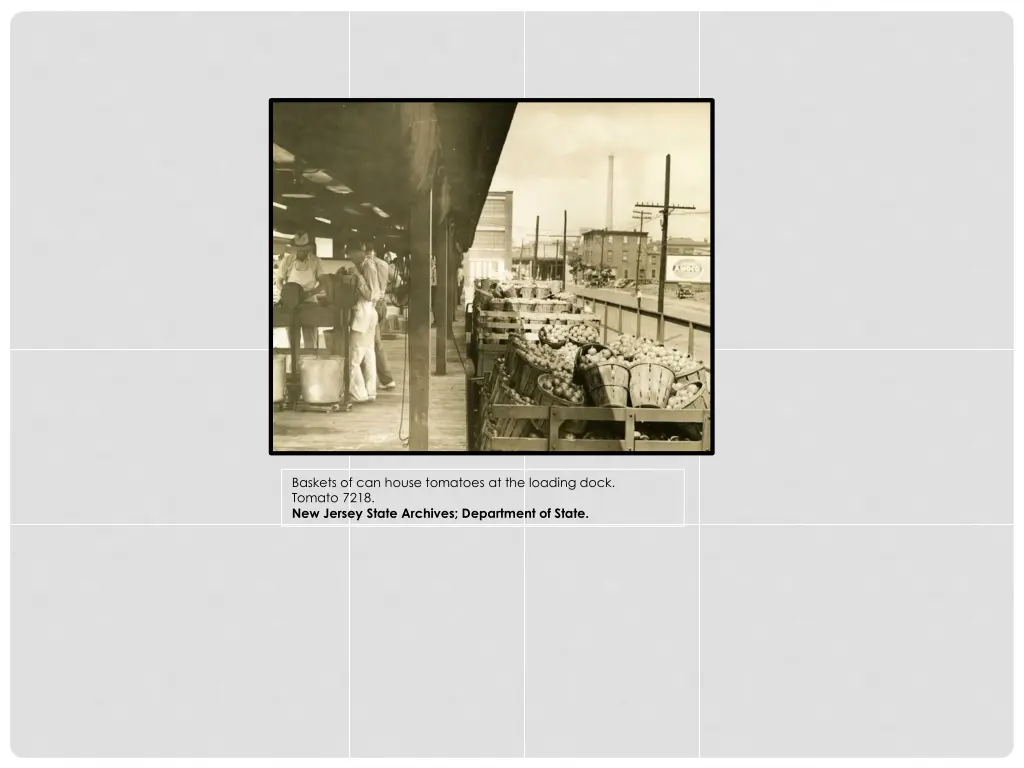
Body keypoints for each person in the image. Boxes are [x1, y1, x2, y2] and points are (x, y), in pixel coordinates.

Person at [344, 240, 381, 403]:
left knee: (354, 358)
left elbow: (371, 294)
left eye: (350, 254)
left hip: (364, 312)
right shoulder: (365, 265)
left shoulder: (367, 266)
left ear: (359, 252)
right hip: (368, 312)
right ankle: (370, 391)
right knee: (368, 354)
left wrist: (357, 277)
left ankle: (358, 394)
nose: (349, 257)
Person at [275, 232, 324, 349]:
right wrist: (287, 294)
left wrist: (310, 293)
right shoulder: (288, 260)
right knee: (293, 341)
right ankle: (294, 365)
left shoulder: (316, 261)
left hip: (310, 302)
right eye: (299, 249)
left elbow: (323, 283)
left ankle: (310, 364)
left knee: (310, 341)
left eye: (305, 249)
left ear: (309, 248)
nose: (302, 252)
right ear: (295, 248)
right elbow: (279, 281)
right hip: (291, 304)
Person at [370, 242, 397, 391]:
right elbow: (397, 280)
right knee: (375, 344)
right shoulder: (385, 265)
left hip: (373, 306)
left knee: (374, 344)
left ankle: (386, 380)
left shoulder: (368, 265)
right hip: (382, 305)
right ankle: (379, 379)